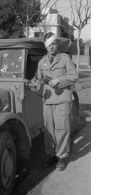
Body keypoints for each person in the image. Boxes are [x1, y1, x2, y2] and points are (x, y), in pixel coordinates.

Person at [36, 32, 78, 171]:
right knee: (49, 131)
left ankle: (61, 157)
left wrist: (59, 80)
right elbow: (38, 79)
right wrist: (34, 84)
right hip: (47, 101)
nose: (52, 47)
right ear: (46, 46)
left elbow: (74, 76)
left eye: (54, 43)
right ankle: (51, 155)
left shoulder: (65, 59)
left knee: (62, 129)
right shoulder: (42, 62)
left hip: (62, 100)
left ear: (57, 44)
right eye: (49, 45)